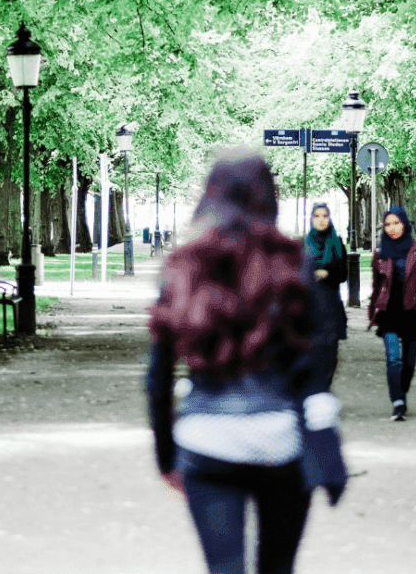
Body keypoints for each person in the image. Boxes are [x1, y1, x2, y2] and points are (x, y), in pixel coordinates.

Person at [146, 152, 346, 574]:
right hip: (279, 440)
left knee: (225, 568)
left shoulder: (184, 266)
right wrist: (327, 447)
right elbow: (314, 367)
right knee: (277, 567)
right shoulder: (292, 263)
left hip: (207, 440)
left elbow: (158, 378)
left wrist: (167, 458)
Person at [367, 206, 416, 421]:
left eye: (396, 223)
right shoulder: (380, 252)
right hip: (388, 314)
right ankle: (397, 402)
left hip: (411, 313)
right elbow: (376, 286)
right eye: (387, 224)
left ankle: (401, 393)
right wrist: (372, 312)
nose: (392, 228)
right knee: (393, 359)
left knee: (409, 363)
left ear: (404, 224)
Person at [303, 203, 348, 392]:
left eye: (325, 216)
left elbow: (344, 275)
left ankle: (325, 388)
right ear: (312, 219)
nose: (321, 220)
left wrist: (327, 274)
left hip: (331, 304)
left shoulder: (337, 243)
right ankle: (315, 390)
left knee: (331, 352)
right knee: (312, 350)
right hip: (309, 307)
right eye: (317, 216)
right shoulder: (304, 246)